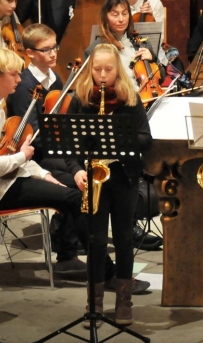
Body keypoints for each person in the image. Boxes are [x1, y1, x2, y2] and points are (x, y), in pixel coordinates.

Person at [0, 46, 86, 275]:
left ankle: (66, 253)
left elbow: (12, 156)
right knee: (75, 198)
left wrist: (45, 175)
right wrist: (24, 156)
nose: (19, 79)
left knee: (76, 183)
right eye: (13, 74)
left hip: (10, 178)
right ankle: (77, 261)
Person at [63, 43, 153, 326]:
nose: (102, 75)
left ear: (118, 70)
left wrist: (117, 137)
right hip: (94, 177)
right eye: (98, 69)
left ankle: (124, 303)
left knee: (125, 240)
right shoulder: (81, 98)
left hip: (123, 176)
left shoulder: (130, 98)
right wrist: (77, 169)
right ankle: (95, 304)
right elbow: (69, 143)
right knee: (96, 241)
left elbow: (145, 138)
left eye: (108, 69)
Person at [5, 24, 88, 276]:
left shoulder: (56, 78)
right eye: (46, 50)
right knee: (77, 181)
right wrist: (60, 147)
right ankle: (66, 253)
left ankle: (69, 230)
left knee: (87, 167)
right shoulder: (23, 86)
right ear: (30, 53)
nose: (53, 54)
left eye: (55, 47)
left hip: (55, 148)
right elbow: (27, 134)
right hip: (36, 156)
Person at [84, 0, 163, 86]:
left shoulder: (141, 43)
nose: (121, 19)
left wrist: (152, 59)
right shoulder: (95, 49)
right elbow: (91, 85)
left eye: (125, 14)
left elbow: (161, 79)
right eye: (115, 15)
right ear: (105, 18)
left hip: (146, 96)